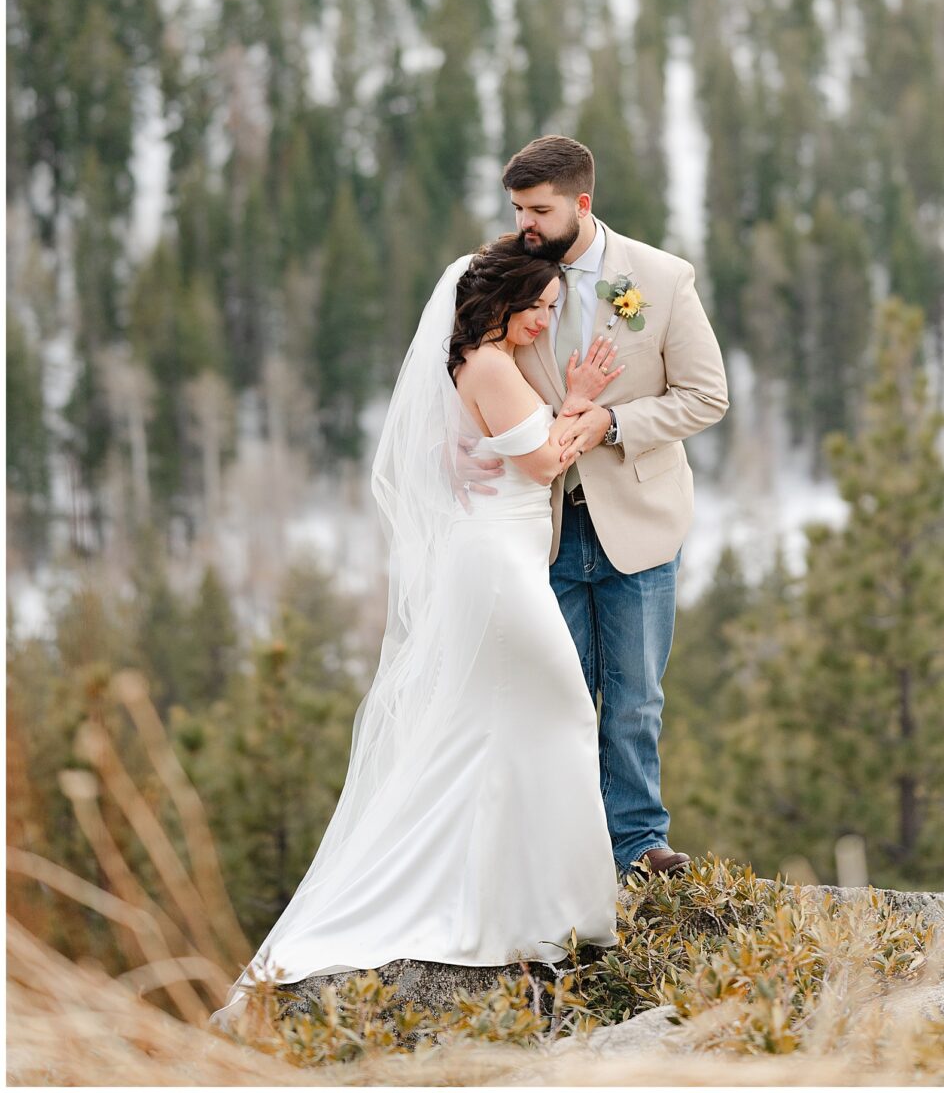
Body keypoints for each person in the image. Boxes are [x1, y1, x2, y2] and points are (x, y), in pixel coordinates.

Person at [210, 237, 625, 1031]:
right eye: (534, 306)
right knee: (560, 711)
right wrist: (580, 404)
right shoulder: (493, 366)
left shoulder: (470, 360)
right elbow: (542, 465)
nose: (543, 319)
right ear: (499, 300)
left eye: (551, 308)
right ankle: (537, 909)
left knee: (496, 728)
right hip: (497, 569)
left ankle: (522, 906)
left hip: (499, 558)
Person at [464, 135, 730, 885]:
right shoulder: (505, 273)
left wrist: (611, 423)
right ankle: (568, 847)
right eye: (516, 209)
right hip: (537, 522)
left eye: (538, 209)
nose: (524, 224)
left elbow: (706, 396)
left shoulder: (659, 278)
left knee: (635, 698)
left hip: (636, 521)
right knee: (562, 695)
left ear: (581, 203)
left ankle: (639, 843)